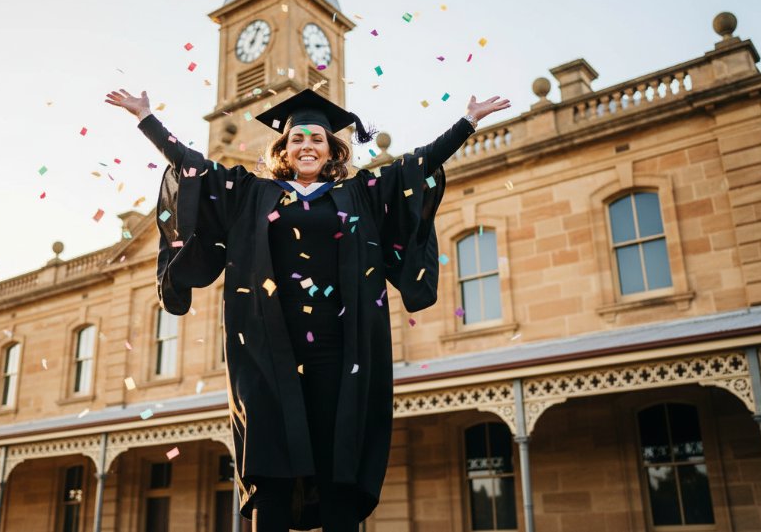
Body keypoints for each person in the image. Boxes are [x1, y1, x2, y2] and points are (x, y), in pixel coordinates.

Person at [105, 87, 510, 531]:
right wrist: (146, 119)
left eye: (317, 139)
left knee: (339, 466)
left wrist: (467, 123)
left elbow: (417, 166)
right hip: (266, 355)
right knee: (271, 467)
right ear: (283, 149)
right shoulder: (251, 194)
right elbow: (192, 167)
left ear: (332, 149)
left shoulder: (359, 194)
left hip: (341, 355)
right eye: (297, 140)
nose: (307, 147)